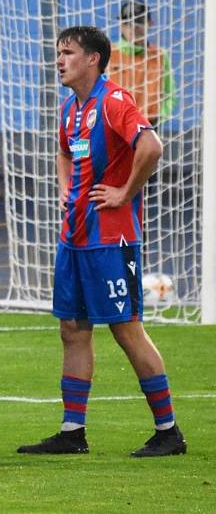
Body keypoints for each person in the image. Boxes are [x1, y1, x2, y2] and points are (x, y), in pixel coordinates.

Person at [17, 26, 186, 457]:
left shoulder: (114, 101)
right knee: (73, 330)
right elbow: (64, 152)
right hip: (73, 238)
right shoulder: (71, 109)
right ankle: (73, 433)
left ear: (92, 59)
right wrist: (65, 187)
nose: (59, 60)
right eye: (58, 52)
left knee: (126, 329)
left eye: (67, 52)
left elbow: (151, 145)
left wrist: (125, 193)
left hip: (112, 239)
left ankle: (169, 431)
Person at [108, 0, 176, 126]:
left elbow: (170, 95)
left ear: (149, 24)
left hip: (148, 129)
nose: (133, 27)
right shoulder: (108, 54)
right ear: (120, 25)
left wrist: (156, 118)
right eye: (128, 22)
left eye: (138, 21)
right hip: (113, 129)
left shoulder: (159, 56)